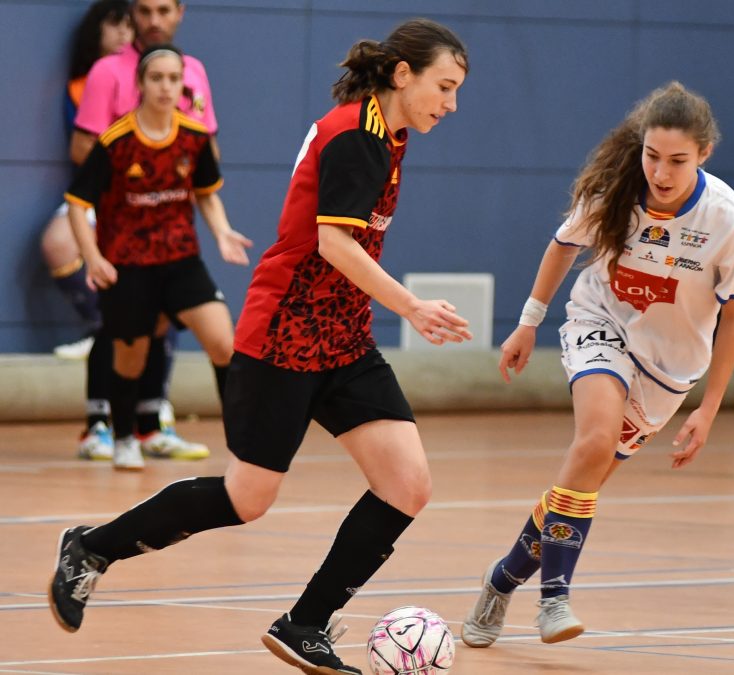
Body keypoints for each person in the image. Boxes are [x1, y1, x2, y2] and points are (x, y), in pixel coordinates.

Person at [49, 19, 470, 675]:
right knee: (248, 497)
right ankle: (92, 548)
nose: (450, 103)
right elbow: (334, 244)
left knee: (407, 483)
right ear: (403, 74)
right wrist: (411, 305)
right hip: (284, 333)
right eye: (444, 87)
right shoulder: (355, 136)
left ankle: (305, 622)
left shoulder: (388, 131)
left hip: (342, 335)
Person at [461, 82, 734, 648]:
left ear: (704, 155)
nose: (661, 173)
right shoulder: (616, 190)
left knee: (582, 480)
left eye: (677, 161)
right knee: (594, 442)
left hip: (671, 370)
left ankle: (500, 581)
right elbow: (562, 246)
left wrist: (709, 409)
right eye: (652, 155)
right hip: (601, 323)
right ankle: (554, 599)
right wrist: (529, 321)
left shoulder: (731, 221)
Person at [64, 45, 251, 470]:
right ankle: (126, 437)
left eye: (173, 79)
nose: (166, 87)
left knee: (225, 342)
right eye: (157, 78)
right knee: (130, 356)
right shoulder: (115, 142)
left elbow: (206, 195)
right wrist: (92, 258)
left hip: (180, 258)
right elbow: (76, 204)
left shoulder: (194, 136)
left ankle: (243, 443)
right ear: (141, 85)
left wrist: (221, 232)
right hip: (127, 263)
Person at [42, 0, 133, 361]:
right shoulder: (81, 85)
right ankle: (103, 330)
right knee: (58, 242)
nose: (124, 33)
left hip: (143, 193)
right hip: (96, 189)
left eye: (129, 25)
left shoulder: (148, 78)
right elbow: (82, 148)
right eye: (115, 25)